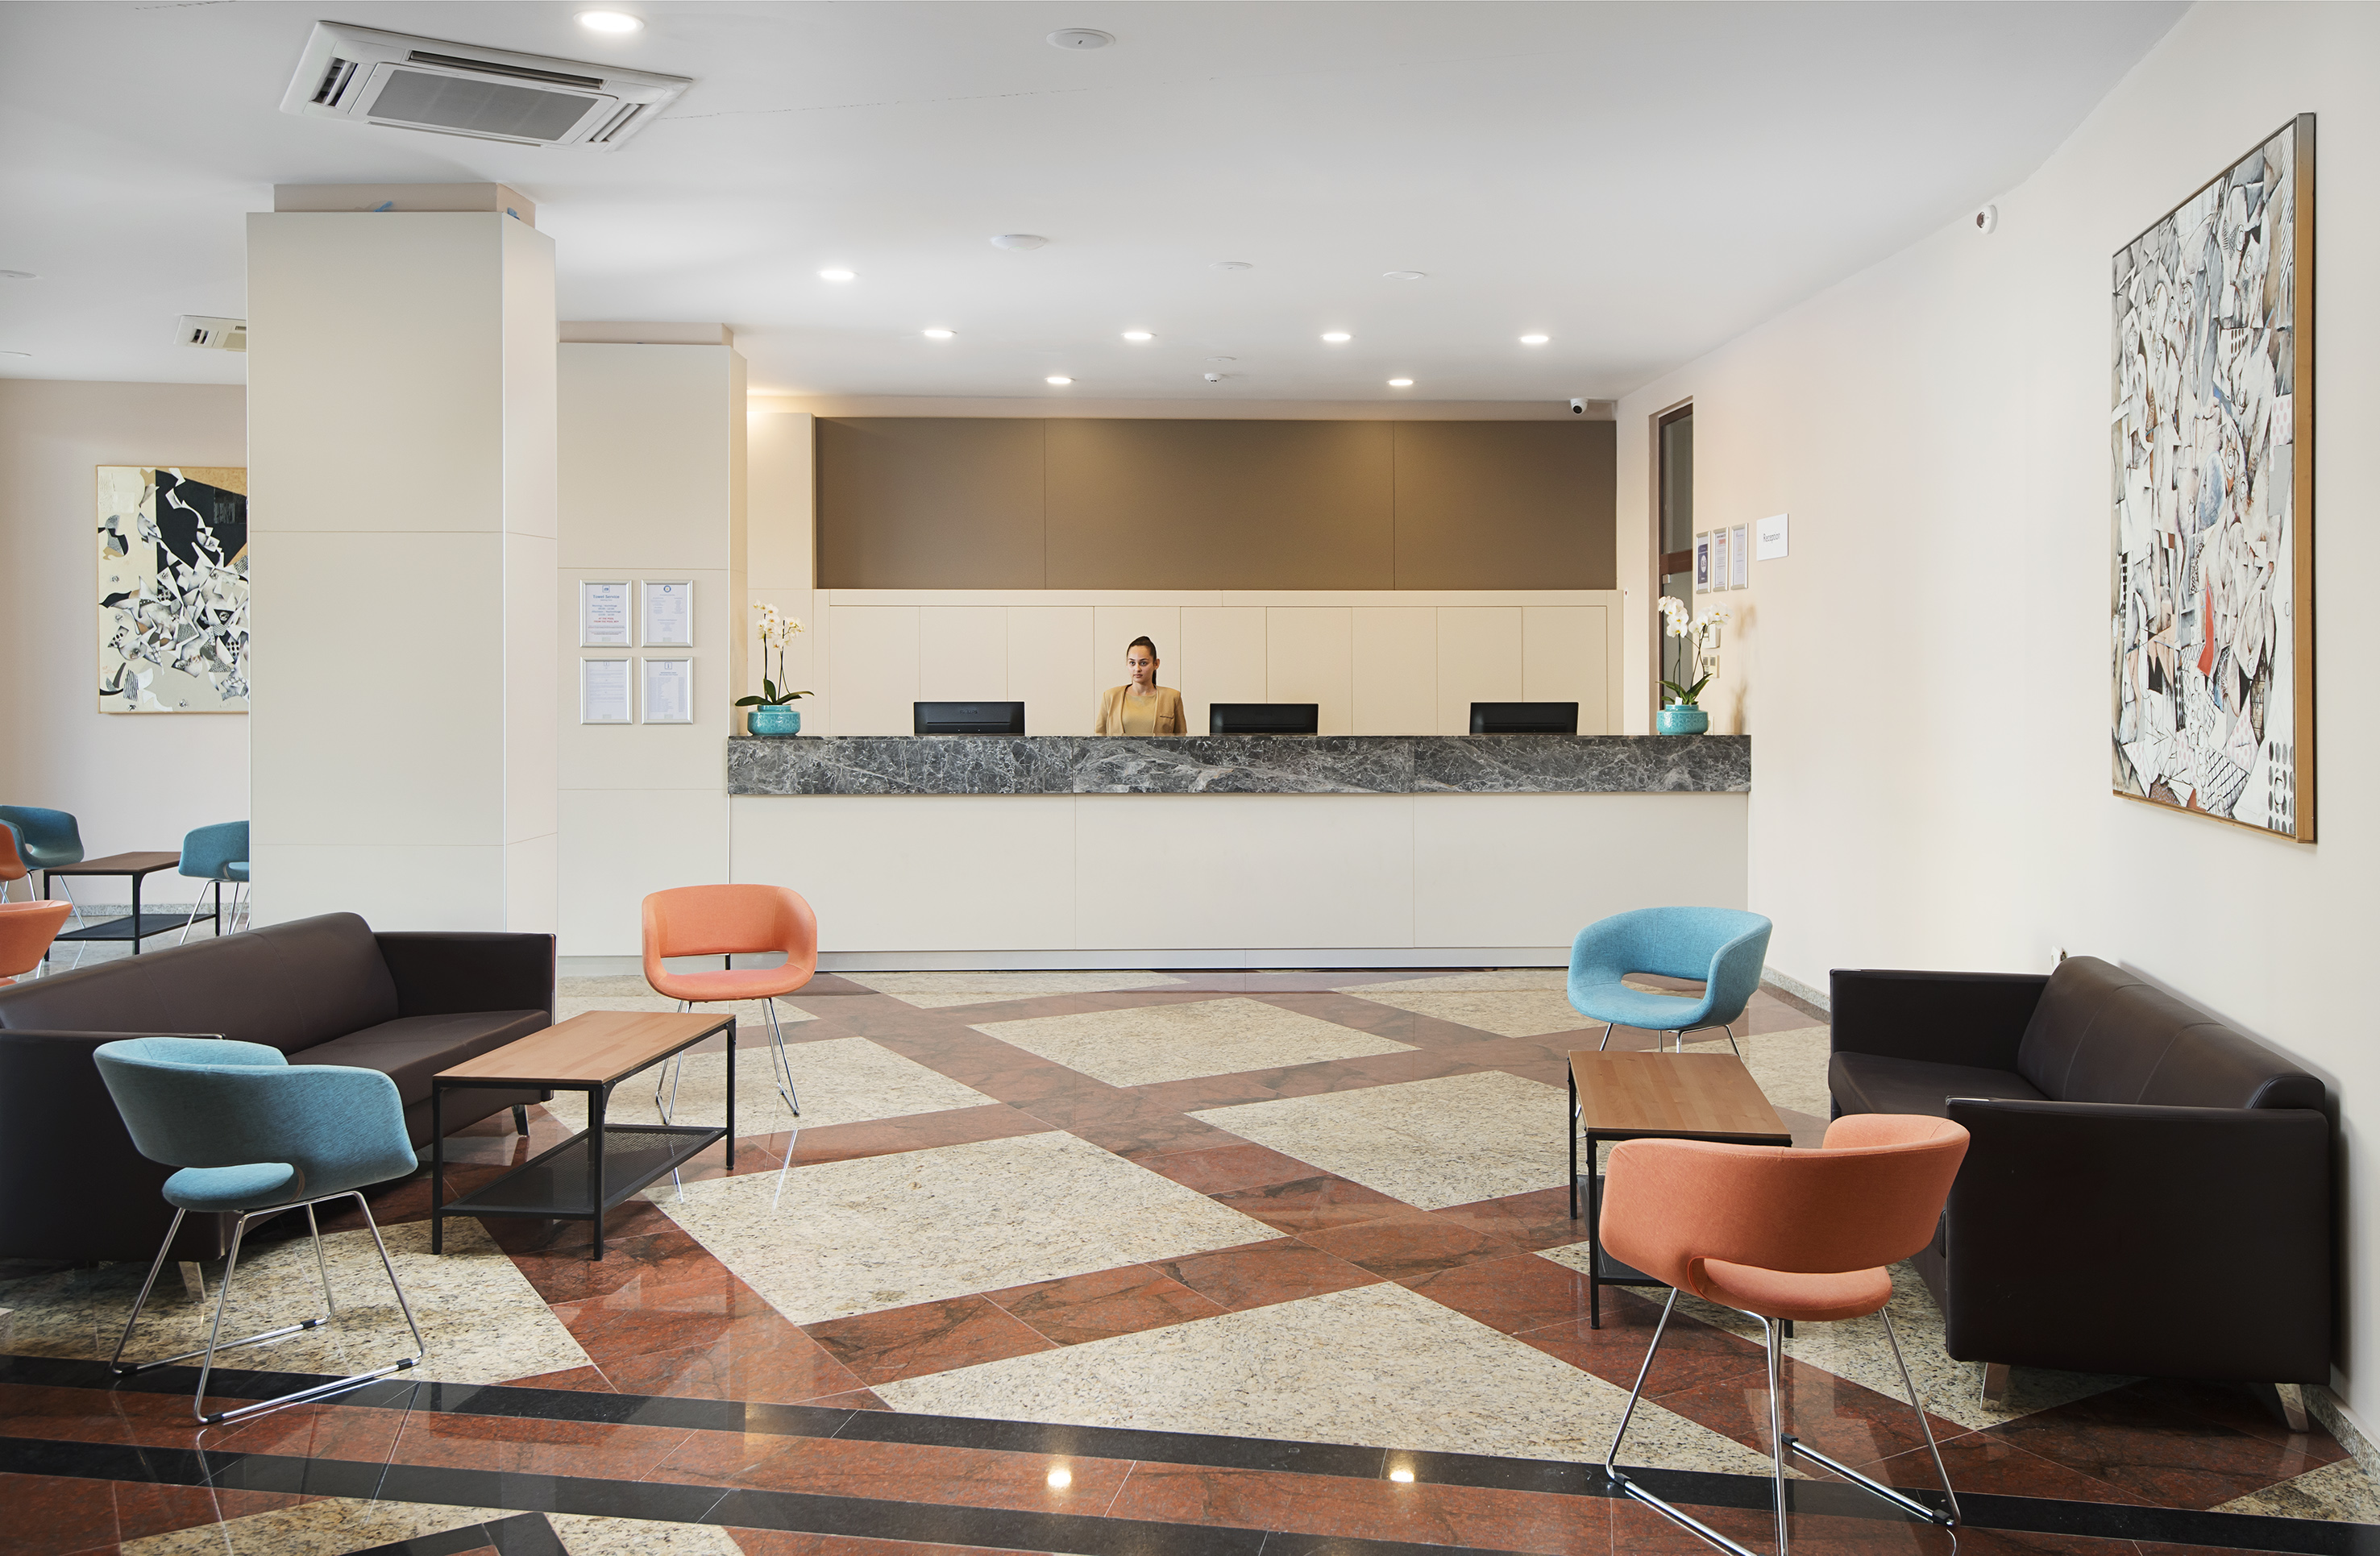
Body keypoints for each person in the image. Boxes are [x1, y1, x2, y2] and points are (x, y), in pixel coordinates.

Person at [1094, 636, 1187, 735]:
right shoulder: (1110, 696)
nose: (1137, 668)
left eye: (1143, 663)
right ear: (1127, 664)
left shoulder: (1172, 697)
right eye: (1132, 663)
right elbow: (1099, 736)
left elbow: (1181, 738)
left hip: (1160, 751)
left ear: (1156, 664)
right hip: (1117, 751)